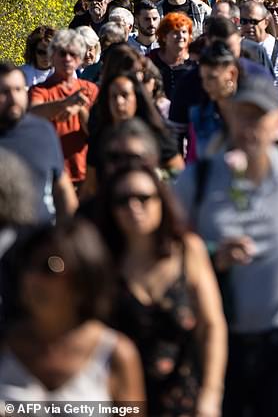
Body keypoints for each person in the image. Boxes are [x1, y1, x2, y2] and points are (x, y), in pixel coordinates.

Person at [174, 80, 278, 417]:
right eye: (243, 114)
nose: (250, 126)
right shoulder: (198, 179)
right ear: (229, 116)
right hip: (216, 341)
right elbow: (167, 247)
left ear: (277, 120)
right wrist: (213, 253)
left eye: (258, 116)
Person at [95, 164, 227, 417]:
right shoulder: (103, 261)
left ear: (161, 200)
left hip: (184, 399)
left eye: (144, 198)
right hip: (119, 402)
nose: (134, 206)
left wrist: (211, 394)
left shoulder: (188, 251)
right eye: (123, 200)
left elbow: (212, 326)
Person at [0, 219, 144, 405]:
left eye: (49, 266)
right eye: (28, 264)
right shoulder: (5, 345)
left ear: (84, 276)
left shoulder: (116, 355)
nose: (33, 277)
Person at [0, 63, 77, 222]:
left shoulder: (43, 130)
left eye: (18, 89)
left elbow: (62, 188)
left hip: (42, 238)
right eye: (5, 92)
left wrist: (69, 234)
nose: (13, 98)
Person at [29, 28, 99, 186]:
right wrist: (64, 104)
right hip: (50, 175)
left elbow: (96, 131)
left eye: (73, 54)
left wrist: (80, 108)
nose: (67, 58)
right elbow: (33, 113)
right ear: (52, 56)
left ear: (80, 58)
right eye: (62, 53)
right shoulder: (40, 90)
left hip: (85, 174)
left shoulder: (90, 89)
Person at [238, 0, 278, 146]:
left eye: (254, 21)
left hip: (275, 126)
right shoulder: (237, 48)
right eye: (244, 21)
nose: (249, 26)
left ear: (266, 22)